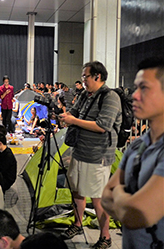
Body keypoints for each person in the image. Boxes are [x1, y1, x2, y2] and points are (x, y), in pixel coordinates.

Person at [101, 57, 164, 249]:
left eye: (143, 88)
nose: (134, 96)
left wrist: (119, 193)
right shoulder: (139, 145)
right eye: (135, 88)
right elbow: (105, 197)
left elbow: (139, 215)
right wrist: (128, 204)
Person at [60, 61, 122, 249]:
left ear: (97, 76)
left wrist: (74, 121)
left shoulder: (110, 97)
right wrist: (66, 117)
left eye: (85, 76)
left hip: (97, 155)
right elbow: (74, 112)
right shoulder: (86, 95)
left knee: (98, 197)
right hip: (79, 150)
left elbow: (103, 126)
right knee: (77, 190)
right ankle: (78, 224)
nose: (83, 80)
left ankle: (105, 237)